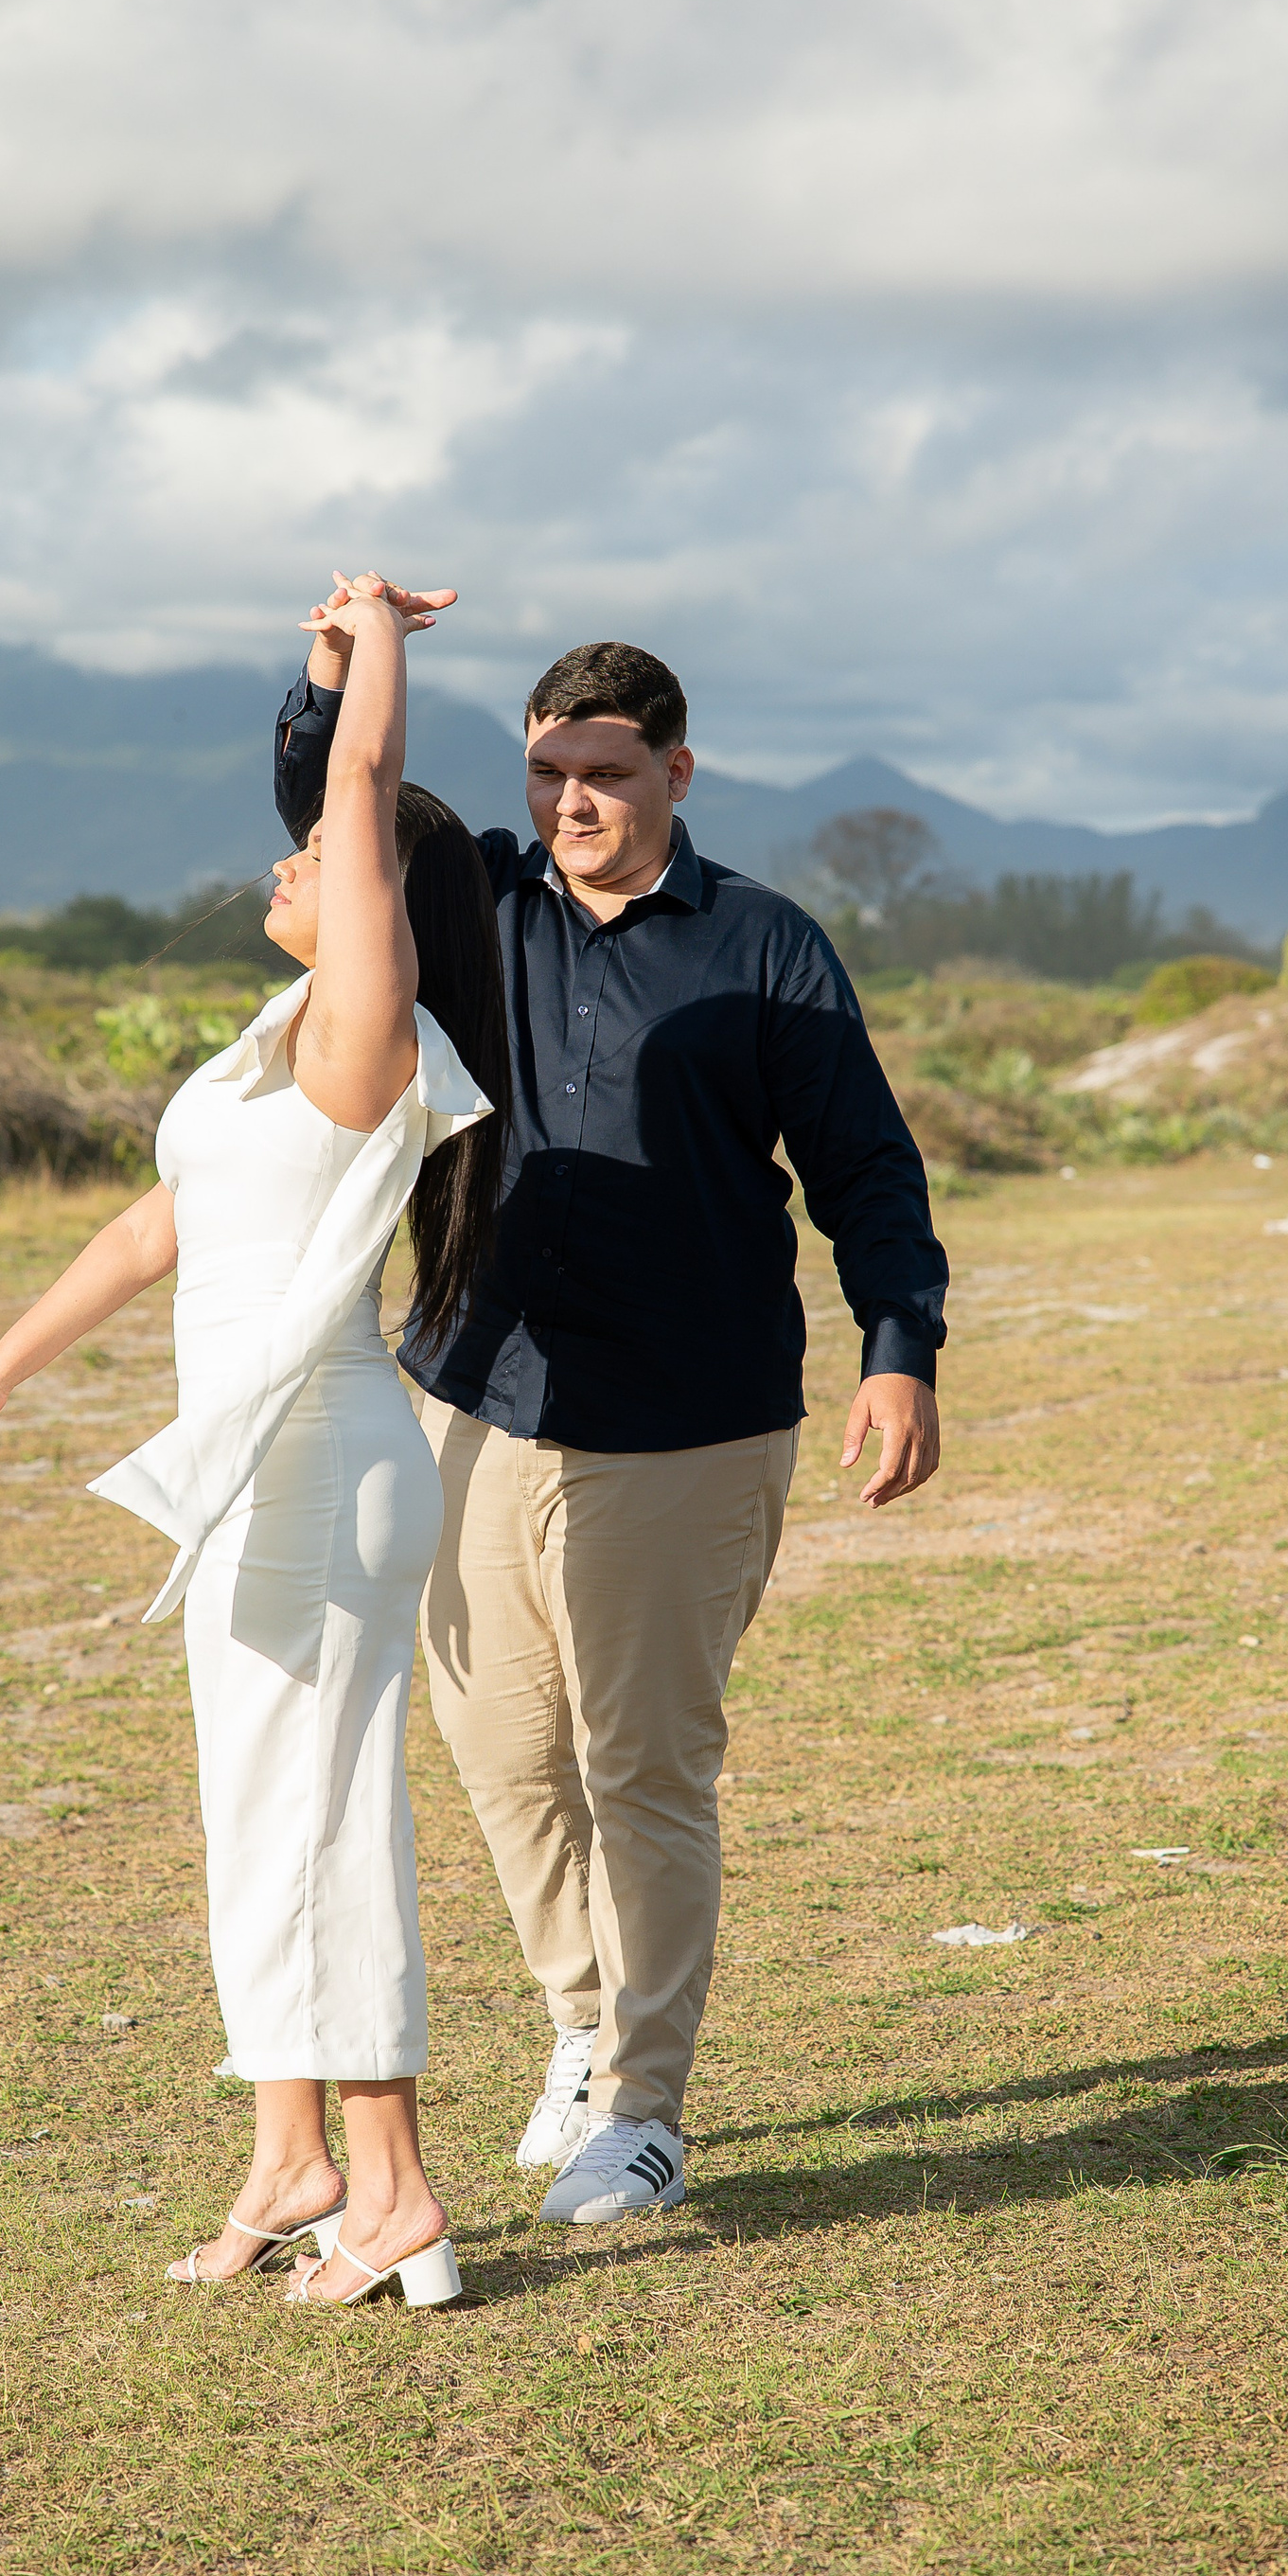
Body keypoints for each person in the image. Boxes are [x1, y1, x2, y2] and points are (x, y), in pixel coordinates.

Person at [275, 581, 948, 2227]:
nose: (571, 803)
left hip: (689, 1415)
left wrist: (898, 1344)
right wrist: (335, 667)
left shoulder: (765, 945)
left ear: (677, 773)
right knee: (504, 1754)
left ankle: (645, 2107)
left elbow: (864, 1164)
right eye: (548, 772)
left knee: (643, 1765)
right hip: (479, 1390)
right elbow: (332, 812)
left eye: (606, 774)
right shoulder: (478, 903)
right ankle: (581, 2025)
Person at [0, 580, 509, 2309]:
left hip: (320, 1469)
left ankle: (391, 2194)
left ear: (375, 894)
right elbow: (148, 1231)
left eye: (314, 854)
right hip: (267, 1477)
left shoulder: (367, 1032)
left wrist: (371, 635)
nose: (283, 860)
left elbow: (363, 785)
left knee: (320, 1825)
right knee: (260, 1821)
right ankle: (290, 2159)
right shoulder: (272, 1049)